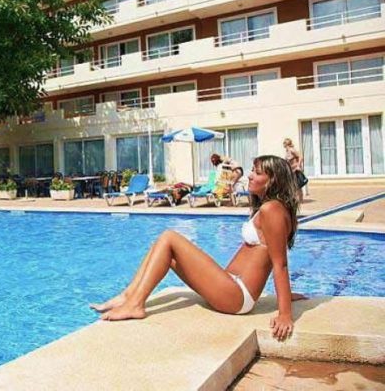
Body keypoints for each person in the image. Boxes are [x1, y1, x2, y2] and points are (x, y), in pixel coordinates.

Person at [90, 155, 306, 341]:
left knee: (169, 238)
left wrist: (285, 314)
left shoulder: (272, 210)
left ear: (273, 180)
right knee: (165, 250)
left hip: (237, 296)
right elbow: (268, 256)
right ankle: (129, 296)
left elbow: (280, 263)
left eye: (257, 173)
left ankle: (135, 304)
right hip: (230, 286)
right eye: (252, 170)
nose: (249, 176)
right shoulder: (270, 208)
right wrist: (285, 295)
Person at [283, 138, 307, 203]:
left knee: (297, 185)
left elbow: (300, 157)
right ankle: (297, 199)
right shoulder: (287, 151)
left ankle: (299, 200)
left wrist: (298, 165)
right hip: (291, 170)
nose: (283, 145)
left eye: (284, 143)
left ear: (286, 144)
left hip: (295, 169)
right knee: (294, 185)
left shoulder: (292, 150)